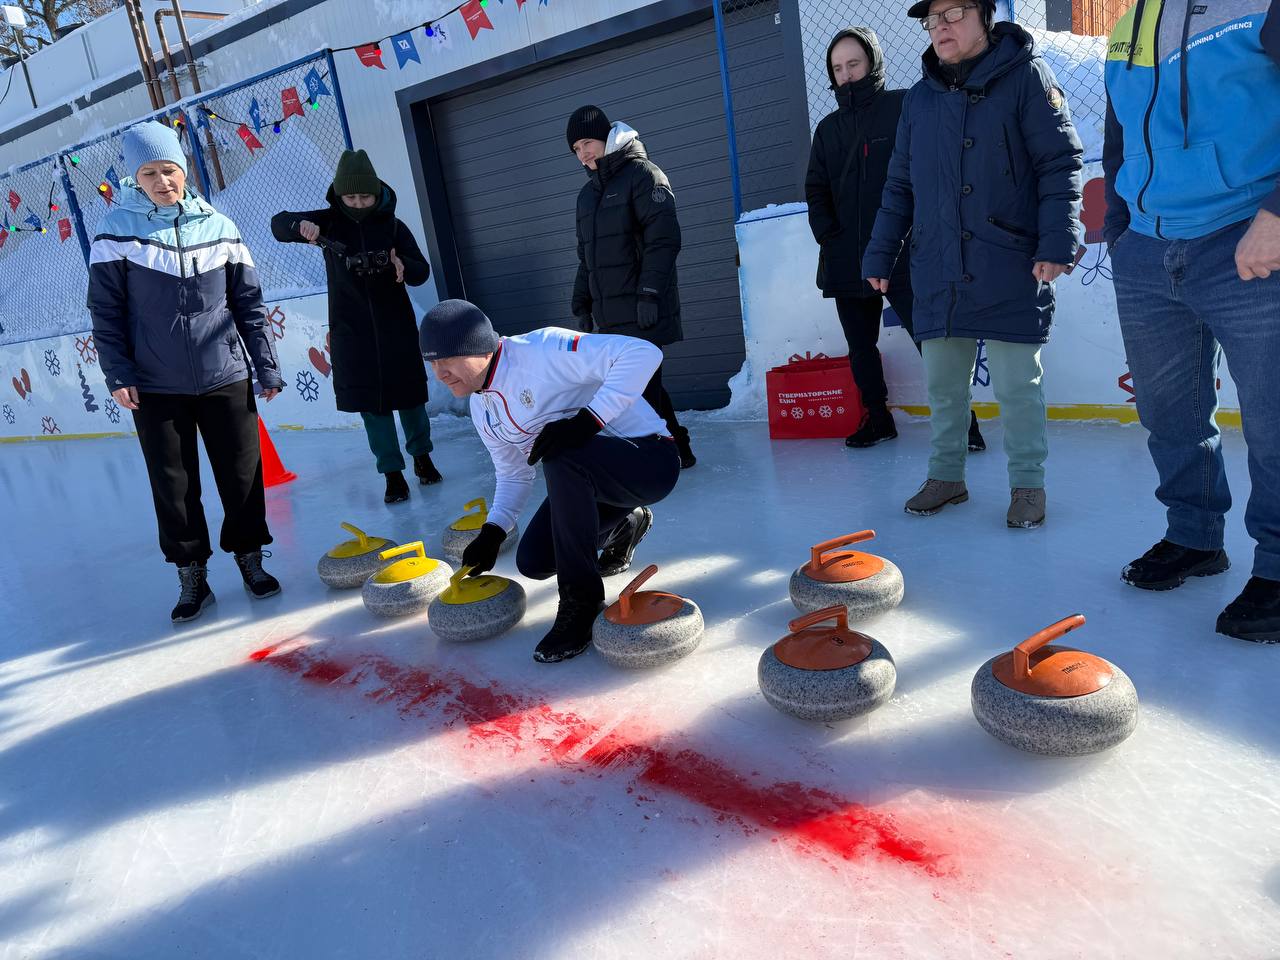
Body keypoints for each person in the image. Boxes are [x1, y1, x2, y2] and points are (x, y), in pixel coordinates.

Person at [863, 0, 1082, 528]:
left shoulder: (1026, 76)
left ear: (984, 16)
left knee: (1016, 386)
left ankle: (1028, 485)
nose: (940, 27)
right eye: (931, 20)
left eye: (953, 13)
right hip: (938, 264)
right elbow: (899, 184)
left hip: (1009, 259)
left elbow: (1059, 161)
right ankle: (947, 476)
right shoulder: (919, 99)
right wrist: (880, 251)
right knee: (942, 385)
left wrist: (1056, 240)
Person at [1102, 0, 1280, 642]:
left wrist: (1277, 216)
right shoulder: (1127, 25)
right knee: (1169, 413)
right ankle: (1195, 536)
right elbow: (1118, 138)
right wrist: (1122, 231)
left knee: (1274, 418)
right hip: (1149, 249)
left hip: (1250, 237)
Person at [88, 120, 284, 623]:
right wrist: (118, 373)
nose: (162, 181)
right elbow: (105, 315)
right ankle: (191, 571)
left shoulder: (220, 227)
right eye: (150, 173)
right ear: (136, 177)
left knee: (242, 475)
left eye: (170, 170)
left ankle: (250, 558)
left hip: (225, 375)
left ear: (184, 169)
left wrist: (265, 365)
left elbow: (249, 303)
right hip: (154, 385)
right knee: (173, 487)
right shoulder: (115, 233)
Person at [419, 300, 680, 664]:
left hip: (650, 461)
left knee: (562, 454)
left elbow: (642, 352)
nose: (439, 373)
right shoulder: (481, 407)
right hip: (598, 484)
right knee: (536, 560)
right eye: (432, 363)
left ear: (478, 347)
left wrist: (589, 421)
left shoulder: (541, 350)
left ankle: (582, 601)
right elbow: (513, 472)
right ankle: (625, 522)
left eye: (446, 359)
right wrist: (493, 531)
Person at [806, 25, 985, 452]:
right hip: (847, 254)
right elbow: (816, 189)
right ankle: (878, 418)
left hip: (903, 250)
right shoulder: (827, 129)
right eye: (838, 68)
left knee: (930, 339)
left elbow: (932, 168)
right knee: (860, 347)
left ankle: (963, 422)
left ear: (872, 63)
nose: (847, 73)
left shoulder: (903, 106)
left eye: (854, 63)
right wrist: (829, 235)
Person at [271, 149, 440, 505]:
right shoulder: (329, 223)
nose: (360, 203)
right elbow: (278, 224)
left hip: (396, 327)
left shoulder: (393, 225)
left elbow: (422, 270)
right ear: (339, 194)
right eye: (352, 196)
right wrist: (298, 226)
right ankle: (392, 474)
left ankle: (422, 457)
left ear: (377, 192)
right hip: (353, 332)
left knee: (411, 399)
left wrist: (403, 265)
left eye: (366, 195)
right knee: (373, 407)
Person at [566, 104, 696, 469]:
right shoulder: (586, 196)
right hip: (610, 312)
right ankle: (677, 447)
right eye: (576, 148)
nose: (583, 153)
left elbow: (663, 241)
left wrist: (650, 293)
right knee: (642, 386)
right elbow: (586, 257)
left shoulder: (643, 176)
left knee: (639, 389)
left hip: (642, 307)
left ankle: (660, 457)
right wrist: (581, 301)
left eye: (588, 142)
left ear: (607, 137)